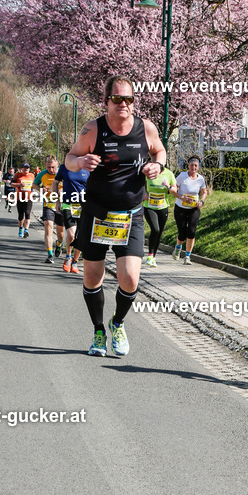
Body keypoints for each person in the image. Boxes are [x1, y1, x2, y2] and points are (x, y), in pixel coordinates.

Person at [65, 75, 166, 357]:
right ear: (106, 101)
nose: (124, 104)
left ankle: (117, 323)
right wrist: (80, 161)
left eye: (128, 99)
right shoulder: (92, 129)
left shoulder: (146, 128)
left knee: (130, 278)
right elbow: (69, 159)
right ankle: (99, 331)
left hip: (131, 215)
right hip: (97, 213)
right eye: (117, 98)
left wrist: (157, 165)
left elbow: (160, 150)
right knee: (92, 277)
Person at [52, 161, 88, 274]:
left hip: (83, 205)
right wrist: (57, 200)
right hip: (68, 204)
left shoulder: (88, 168)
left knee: (81, 235)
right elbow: (55, 182)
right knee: (71, 234)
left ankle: (75, 261)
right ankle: (68, 257)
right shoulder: (65, 167)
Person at [170, 156, 207, 264]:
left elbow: (204, 192)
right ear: (188, 165)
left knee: (191, 232)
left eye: (196, 165)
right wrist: (181, 197)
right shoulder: (182, 176)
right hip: (180, 208)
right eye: (191, 165)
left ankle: (187, 256)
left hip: (194, 209)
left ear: (198, 167)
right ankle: (178, 247)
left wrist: (201, 201)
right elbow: (173, 190)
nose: (193, 167)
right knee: (182, 233)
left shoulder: (200, 179)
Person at [143, 164, 177, 267]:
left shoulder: (169, 174)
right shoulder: (149, 172)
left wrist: (168, 186)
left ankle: (153, 257)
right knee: (155, 229)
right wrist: (144, 193)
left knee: (159, 232)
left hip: (162, 207)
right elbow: (140, 184)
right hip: (149, 206)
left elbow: (175, 190)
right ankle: (150, 255)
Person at [33, 156, 64, 264]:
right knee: (48, 226)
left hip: (61, 205)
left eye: (53, 167)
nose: (51, 170)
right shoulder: (42, 174)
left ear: (57, 164)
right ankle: (50, 254)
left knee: (61, 232)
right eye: (48, 167)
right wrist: (40, 189)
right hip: (48, 204)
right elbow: (34, 184)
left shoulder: (63, 172)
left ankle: (59, 244)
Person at [10, 163, 35, 238]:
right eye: (25, 168)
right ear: (22, 169)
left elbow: (34, 185)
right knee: (21, 215)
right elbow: (11, 184)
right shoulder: (17, 175)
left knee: (27, 213)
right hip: (20, 198)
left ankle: (26, 230)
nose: (26, 169)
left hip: (29, 198)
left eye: (28, 168)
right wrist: (19, 185)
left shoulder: (32, 175)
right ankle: (21, 228)